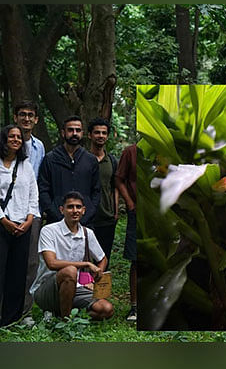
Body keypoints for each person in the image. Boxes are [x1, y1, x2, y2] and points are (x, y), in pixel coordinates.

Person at [30, 191, 113, 320]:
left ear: (84, 210)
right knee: (70, 271)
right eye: (70, 207)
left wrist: (94, 280)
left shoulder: (87, 233)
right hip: (47, 289)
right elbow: (52, 263)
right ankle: (66, 321)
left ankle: (65, 314)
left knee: (105, 309)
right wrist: (86, 264)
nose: (75, 211)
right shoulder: (49, 230)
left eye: (78, 207)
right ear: (62, 210)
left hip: (76, 288)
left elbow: (102, 259)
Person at [0, 125, 39, 325]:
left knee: (18, 273)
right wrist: (4, 221)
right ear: (4, 139)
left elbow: (34, 194)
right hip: (2, 224)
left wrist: (29, 219)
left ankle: (11, 318)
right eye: (11, 136)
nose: (15, 139)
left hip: (23, 225)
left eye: (18, 137)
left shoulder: (26, 165)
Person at [12, 102, 45, 320]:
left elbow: (39, 181)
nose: (26, 119)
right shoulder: (6, 142)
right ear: (15, 117)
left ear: (36, 120)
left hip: (33, 212)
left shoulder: (39, 147)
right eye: (22, 115)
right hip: (7, 211)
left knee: (31, 264)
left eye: (30, 115)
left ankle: (25, 312)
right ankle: (6, 309)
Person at [38, 115, 100, 226]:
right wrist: (56, 214)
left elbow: (96, 191)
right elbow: (43, 190)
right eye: (70, 130)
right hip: (56, 222)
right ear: (63, 133)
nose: (74, 133)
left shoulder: (90, 160)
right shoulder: (51, 159)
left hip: (85, 222)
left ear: (82, 133)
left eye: (78, 130)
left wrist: (87, 214)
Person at [88, 118, 119, 268]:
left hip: (107, 216)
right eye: (97, 132)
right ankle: (86, 290)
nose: (100, 136)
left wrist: (116, 210)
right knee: (86, 257)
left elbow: (115, 187)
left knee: (104, 256)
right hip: (87, 217)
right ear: (90, 135)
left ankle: (102, 291)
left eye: (104, 133)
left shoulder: (111, 161)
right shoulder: (84, 159)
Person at [115, 144, 137, 322]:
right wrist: (129, 202)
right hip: (136, 212)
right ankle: (135, 306)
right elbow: (119, 179)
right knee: (136, 259)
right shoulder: (131, 151)